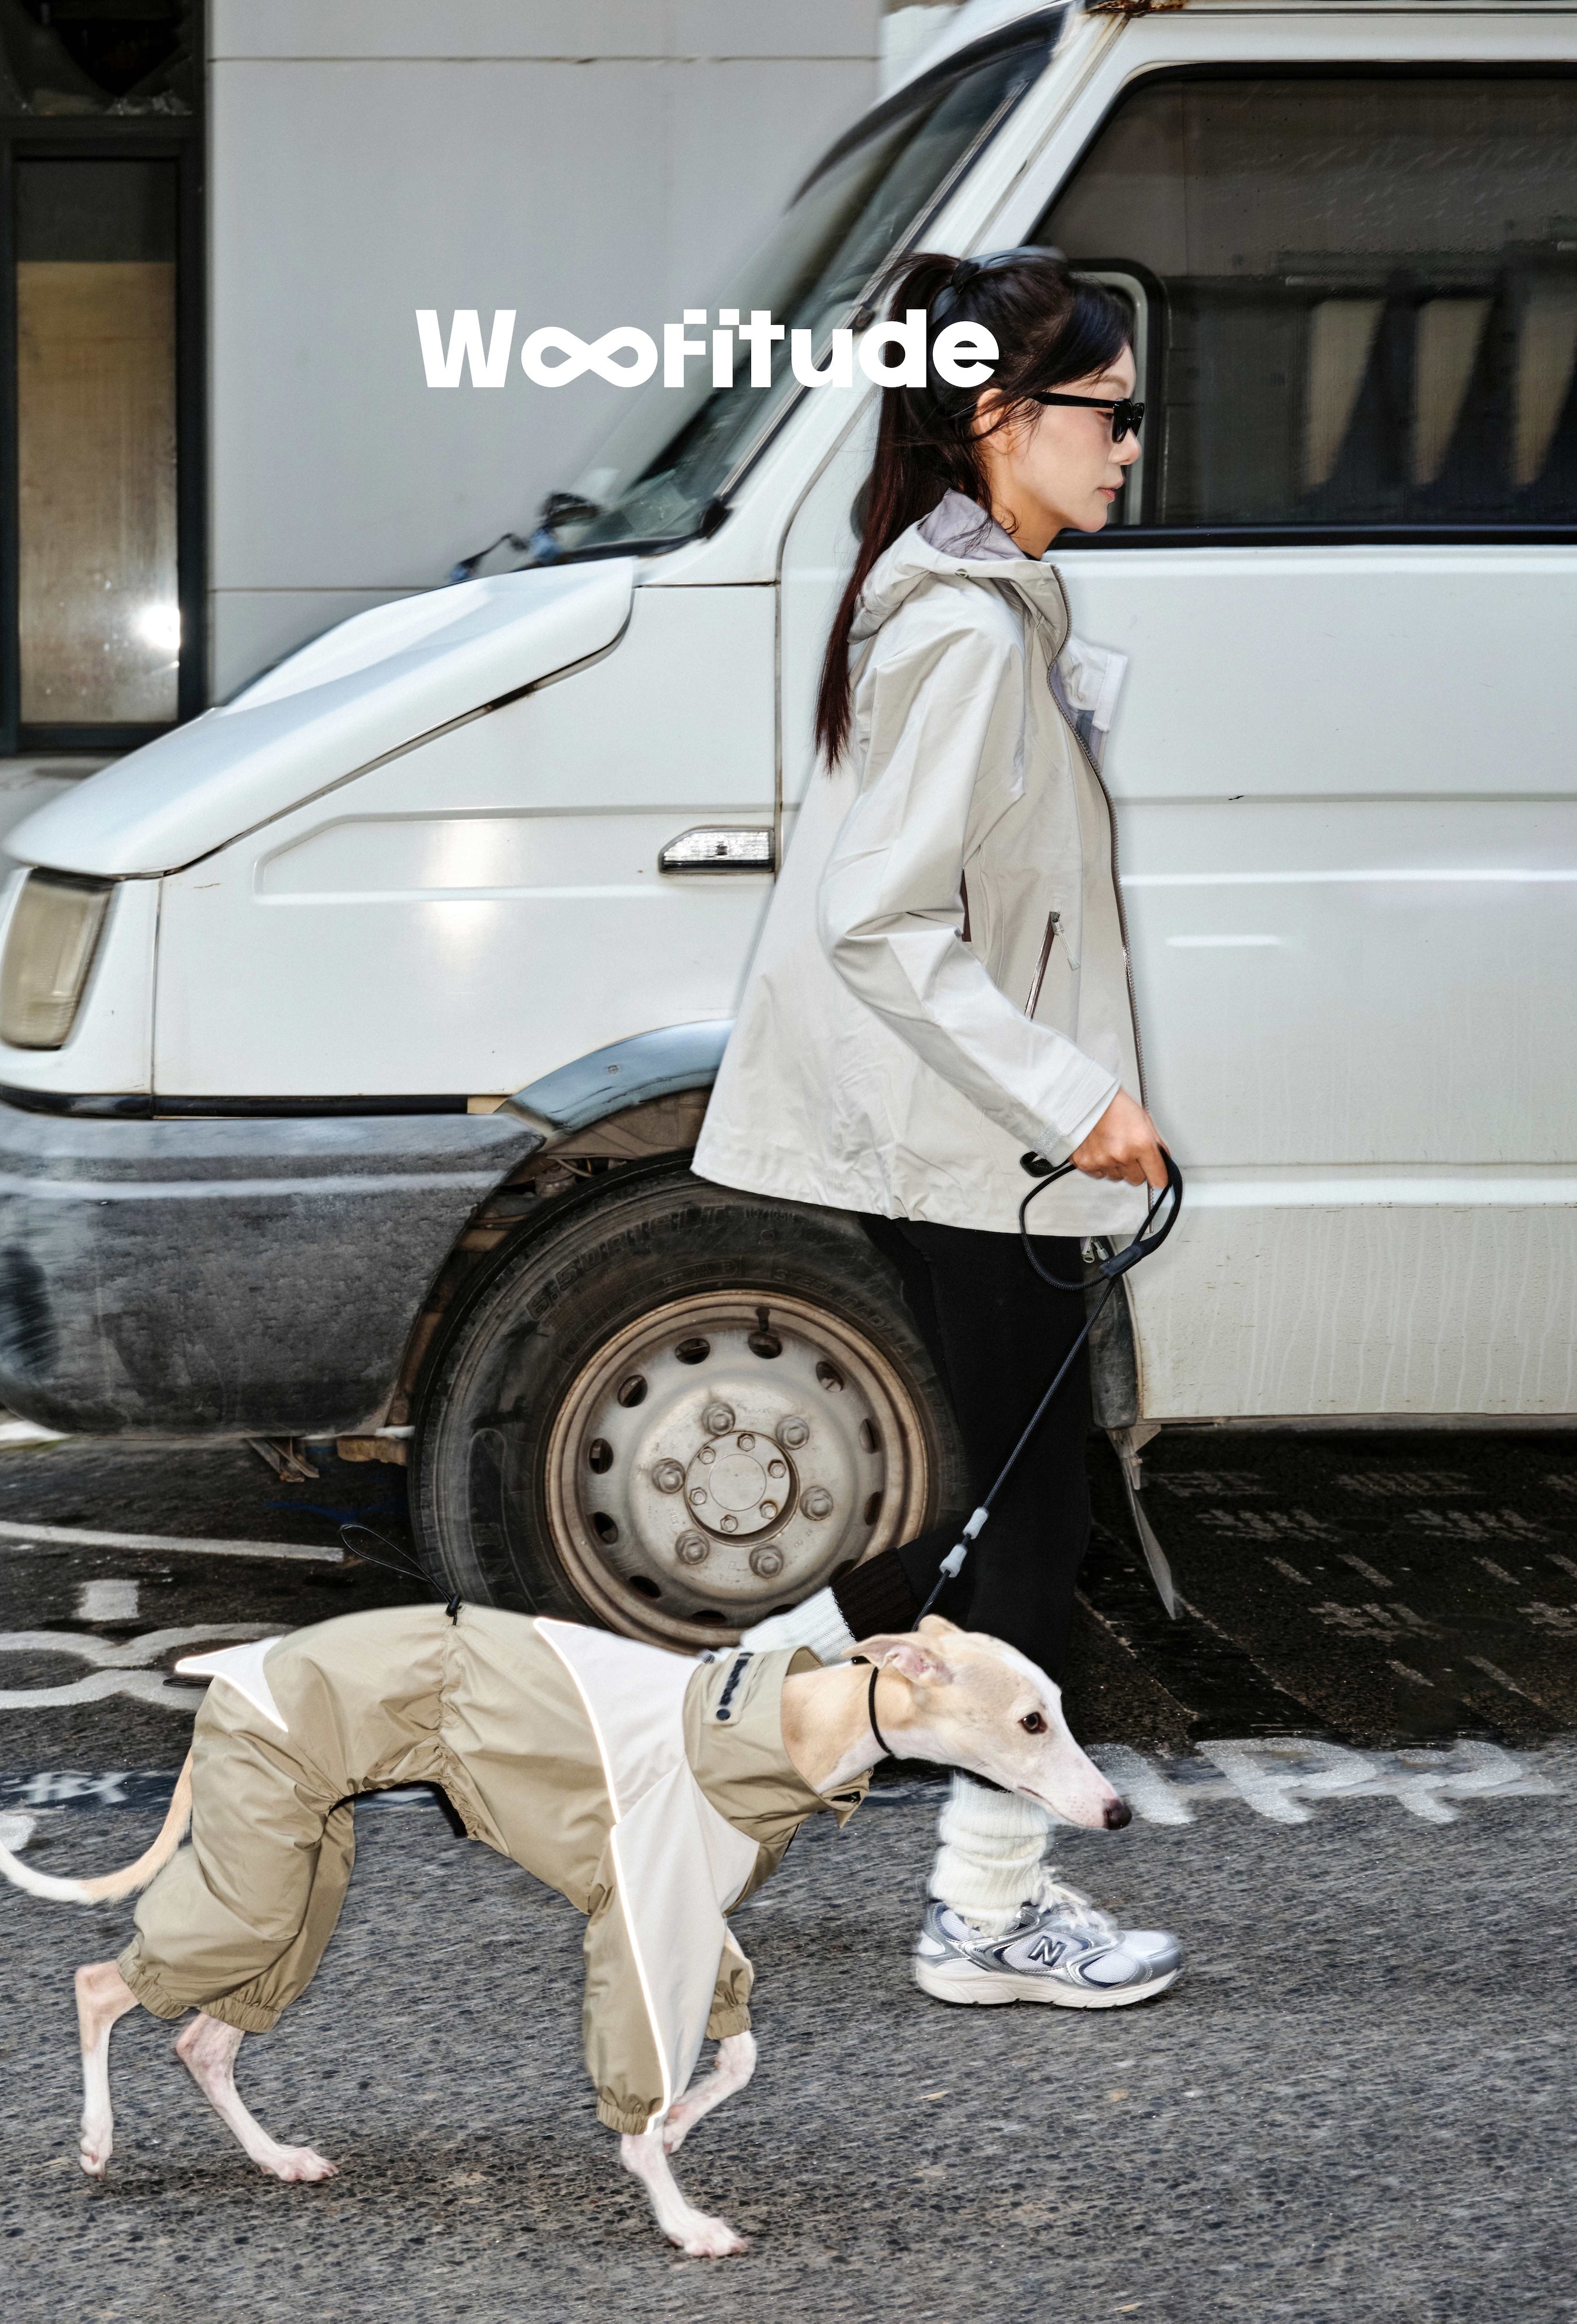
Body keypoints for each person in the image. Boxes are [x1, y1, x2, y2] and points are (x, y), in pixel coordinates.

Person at [691, 247, 1182, 2009]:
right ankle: (983, 1910)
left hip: (977, 1142)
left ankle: (714, 1721)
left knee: (1010, 1518)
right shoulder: (967, 628)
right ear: (998, 417)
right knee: (1033, 1532)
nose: (1131, 443)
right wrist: (1077, 1098)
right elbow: (881, 922)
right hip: (986, 1148)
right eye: (1108, 410)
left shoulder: (972, 601)